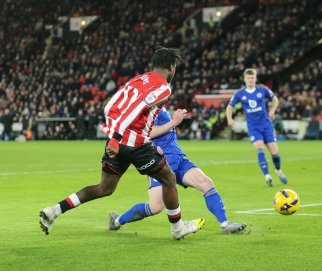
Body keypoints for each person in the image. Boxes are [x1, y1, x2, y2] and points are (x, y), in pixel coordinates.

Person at [39, 47, 205, 240]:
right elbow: (136, 108)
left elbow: (110, 105)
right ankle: (178, 229)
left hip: (117, 141)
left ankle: (54, 211)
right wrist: (117, 138)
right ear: (170, 67)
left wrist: (112, 133)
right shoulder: (163, 87)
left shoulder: (138, 79)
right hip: (136, 144)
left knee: (104, 188)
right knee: (168, 179)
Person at [108, 106, 246, 233]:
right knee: (156, 206)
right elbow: (146, 133)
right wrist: (174, 122)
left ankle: (225, 224)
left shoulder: (159, 105)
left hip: (178, 158)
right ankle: (116, 220)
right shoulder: (145, 109)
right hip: (159, 161)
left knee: (207, 183)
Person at [226, 68, 287, 186]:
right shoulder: (240, 93)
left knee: (275, 153)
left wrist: (273, 110)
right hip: (253, 127)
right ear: (244, 79)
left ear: (255, 78)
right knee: (260, 150)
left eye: (252, 78)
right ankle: (267, 176)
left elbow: (275, 99)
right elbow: (229, 107)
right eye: (248, 78)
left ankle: (278, 170)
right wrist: (229, 118)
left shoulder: (262, 90)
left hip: (266, 125)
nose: (250, 80)